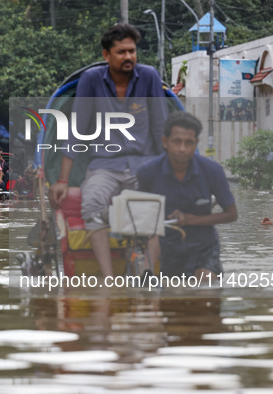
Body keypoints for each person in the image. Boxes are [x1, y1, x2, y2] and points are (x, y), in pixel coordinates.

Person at [49, 23, 168, 277]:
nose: (128, 57)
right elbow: (77, 130)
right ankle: (108, 277)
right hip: (103, 166)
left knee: (153, 208)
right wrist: (62, 180)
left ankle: (147, 274)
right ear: (106, 55)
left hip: (144, 164)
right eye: (121, 52)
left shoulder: (149, 77)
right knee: (91, 202)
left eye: (132, 51)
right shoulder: (92, 80)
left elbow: (162, 129)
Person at [137, 112, 238, 280]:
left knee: (206, 289)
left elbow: (231, 214)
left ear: (196, 144)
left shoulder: (212, 171)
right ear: (165, 142)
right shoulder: (148, 172)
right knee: (169, 297)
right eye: (177, 141)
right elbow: (143, 218)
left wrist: (190, 219)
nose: (182, 148)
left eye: (188, 142)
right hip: (167, 248)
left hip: (204, 247)